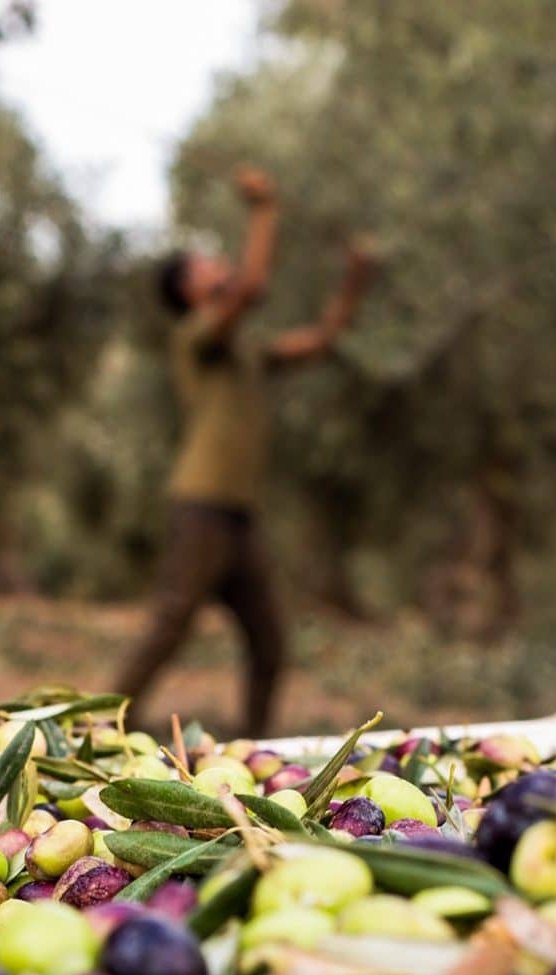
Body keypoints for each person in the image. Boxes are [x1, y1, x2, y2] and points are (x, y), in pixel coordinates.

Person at [115, 165, 374, 737]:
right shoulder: (196, 339)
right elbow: (253, 288)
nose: (219, 265)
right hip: (202, 506)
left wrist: (354, 281)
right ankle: (96, 728)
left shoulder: (248, 351)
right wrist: (263, 211)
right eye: (206, 264)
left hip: (237, 516)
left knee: (269, 641)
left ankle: (254, 748)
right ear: (189, 290)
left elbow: (323, 340)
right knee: (169, 626)